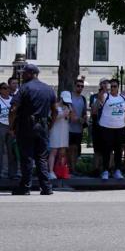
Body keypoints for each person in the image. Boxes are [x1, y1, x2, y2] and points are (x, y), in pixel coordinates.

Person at [8, 64, 56, 195]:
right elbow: (55, 110)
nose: (22, 75)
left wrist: (11, 126)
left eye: (24, 73)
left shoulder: (24, 88)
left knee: (27, 156)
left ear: (31, 73)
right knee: (42, 157)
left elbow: (13, 109)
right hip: (43, 126)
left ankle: (25, 187)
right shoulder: (48, 89)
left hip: (27, 126)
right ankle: (46, 187)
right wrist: (50, 125)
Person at [93, 78, 125, 180]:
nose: (113, 88)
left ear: (118, 87)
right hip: (106, 127)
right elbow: (95, 109)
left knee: (119, 150)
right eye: (112, 86)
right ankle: (105, 171)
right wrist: (102, 92)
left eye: (115, 86)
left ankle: (117, 170)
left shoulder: (123, 98)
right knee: (106, 150)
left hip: (120, 128)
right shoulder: (105, 96)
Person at [48, 90, 74, 180]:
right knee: (54, 151)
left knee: (62, 152)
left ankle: (61, 171)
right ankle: (50, 171)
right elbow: (51, 118)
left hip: (64, 131)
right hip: (55, 131)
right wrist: (62, 114)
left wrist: (69, 113)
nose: (66, 102)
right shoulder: (55, 106)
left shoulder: (68, 107)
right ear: (61, 98)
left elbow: (72, 118)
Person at [90, 79, 110, 175]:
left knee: (108, 149)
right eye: (103, 83)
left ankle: (108, 168)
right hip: (97, 126)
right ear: (100, 85)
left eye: (107, 83)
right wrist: (99, 98)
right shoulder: (94, 96)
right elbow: (93, 111)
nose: (105, 85)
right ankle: (96, 169)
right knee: (97, 150)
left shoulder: (111, 97)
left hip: (108, 126)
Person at [68, 78, 88, 174]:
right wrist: (77, 118)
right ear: (74, 86)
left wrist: (84, 118)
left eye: (82, 86)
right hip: (68, 128)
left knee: (76, 149)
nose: (80, 88)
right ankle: (69, 168)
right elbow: (69, 111)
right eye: (78, 86)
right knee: (70, 148)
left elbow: (84, 112)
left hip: (79, 128)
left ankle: (74, 168)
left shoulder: (83, 98)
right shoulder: (69, 97)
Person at [0, 82, 18, 179]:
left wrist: (13, 128)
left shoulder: (12, 100)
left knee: (12, 151)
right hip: (1, 126)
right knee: (1, 150)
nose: (7, 90)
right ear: (0, 90)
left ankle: (13, 173)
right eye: (4, 88)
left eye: (7, 88)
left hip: (11, 127)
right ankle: (1, 172)